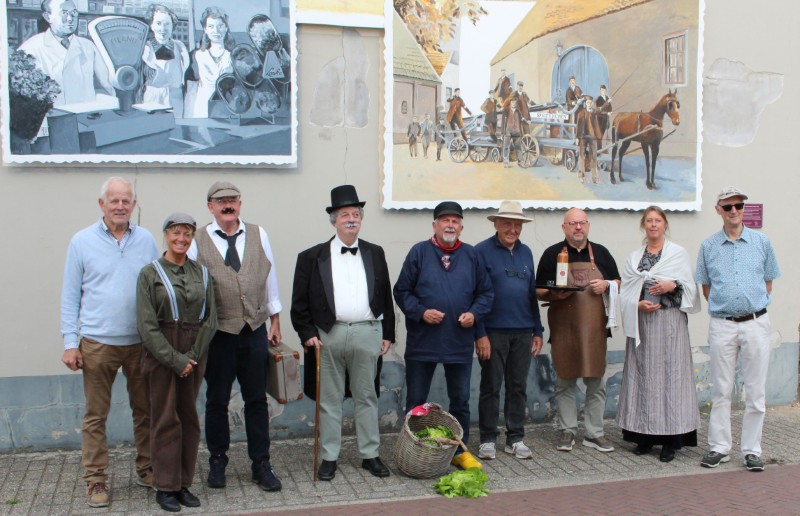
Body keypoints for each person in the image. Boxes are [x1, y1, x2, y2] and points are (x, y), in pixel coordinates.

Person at [60, 177, 159, 508]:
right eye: (114, 200)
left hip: (140, 343)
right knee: (96, 415)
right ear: (102, 204)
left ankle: (147, 469)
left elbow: (156, 288)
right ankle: (95, 479)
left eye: (126, 200)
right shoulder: (82, 241)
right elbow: (70, 296)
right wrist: (70, 342)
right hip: (97, 343)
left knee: (145, 410)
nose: (120, 206)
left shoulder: (146, 240)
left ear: (134, 205)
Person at [290, 185, 395, 481]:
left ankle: (370, 454)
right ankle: (329, 457)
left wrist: (388, 333)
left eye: (356, 214)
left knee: (367, 397)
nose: (351, 219)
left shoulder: (375, 252)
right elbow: (299, 302)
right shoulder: (311, 257)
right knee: (329, 399)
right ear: (334, 220)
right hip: (328, 334)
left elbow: (385, 294)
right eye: (345, 214)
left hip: (367, 332)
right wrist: (307, 333)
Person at [188, 181, 283, 491]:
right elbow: (191, 289)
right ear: (210, 207)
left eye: (232, 200)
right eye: (221, 201)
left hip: (254, 330)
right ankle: (217, 462)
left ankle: (261, 464)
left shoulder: (259, 233)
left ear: (240, 203)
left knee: (257, 400)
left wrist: (275, 320)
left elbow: (270, 277)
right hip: (218, 334)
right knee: (216, 401)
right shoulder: (197, 240)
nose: (227, 205)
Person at [394, 201, 494, 470]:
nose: (450, 225)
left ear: (461, 227)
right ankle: (413, 450)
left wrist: (474, 314)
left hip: (458, 342)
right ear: (434, 225)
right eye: (445, 220)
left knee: (460, 400)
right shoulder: (419, 252)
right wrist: (421, 312)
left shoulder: (471, 255)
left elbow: (486, 293)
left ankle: (460, 451)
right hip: (422, 342)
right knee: (416, 401)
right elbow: (401, 291)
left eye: (455, 221)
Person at [695, 187, 780, 472]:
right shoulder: (708, 246)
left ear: (744, 209)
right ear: (718, 210)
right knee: (721, 389)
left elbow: (768, 282)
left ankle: (752, 451)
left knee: (755, 391)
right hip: (723, 325)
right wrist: (727, 306)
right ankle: (719, 448)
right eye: (728, 206)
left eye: (739, 206)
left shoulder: (762, 242)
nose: (734, 211)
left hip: (756, 323)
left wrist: (749, 304)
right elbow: (706, 287)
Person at [136, 213, 217, 512]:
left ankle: (183, 484)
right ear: (166, 235)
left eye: (187, 234)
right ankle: (165, 486)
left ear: (192, 238)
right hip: (161, 352)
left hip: (194, 352)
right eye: (175, 233)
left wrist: (192, 356)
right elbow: (146, 325)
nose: (181, 239)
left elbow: (211, 319)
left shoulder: (202, 273)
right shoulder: (150, 273)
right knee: (165, 419)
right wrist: (174, 359)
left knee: (189, 419)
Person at [616, 206, 701, 463]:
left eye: (658, 220)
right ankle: (644, 436)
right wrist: (637, 304)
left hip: (670, 322)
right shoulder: (635, 258)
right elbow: (626, 292)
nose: (653, 224)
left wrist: (672, 285)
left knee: (671, 378)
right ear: (644, 225)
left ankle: (670, 440)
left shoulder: (677, 254)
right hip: (643, 323)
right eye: (649, 221)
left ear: (665, 225)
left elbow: (690, 288)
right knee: (643, 377)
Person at [536, 209, 620, 454]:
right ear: (564, 228)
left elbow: (618, 282)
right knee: (565, 381)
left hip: (595, 330)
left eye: (581, 222)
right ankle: (568, 430)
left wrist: (606, 284)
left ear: (588, 225)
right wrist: (555, 294)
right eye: (572, 223)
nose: (578, 227)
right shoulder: (552, 254)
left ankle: (595, 433)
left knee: (596, 382)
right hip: (565, 329)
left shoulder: (601, 253)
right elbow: (538, 291)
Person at [474, 201, 544, 461]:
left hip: (523, 331)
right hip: (493, 332)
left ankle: (515, 438)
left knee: (518, 387)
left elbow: (531, 294)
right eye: (507, 224)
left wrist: (538, 330)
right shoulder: (481, 251)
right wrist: (479, 333)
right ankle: (487, 439)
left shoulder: (526, 252)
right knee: (490, 386)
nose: (512, 229)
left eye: (517, 225)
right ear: (496, 224)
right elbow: (475, 294)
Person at [20, 0, 114, 107]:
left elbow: (107, 85)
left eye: (73, 12)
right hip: (52, 115)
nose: (70, 18)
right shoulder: (31, 48)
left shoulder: (88, 46)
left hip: (85, 114)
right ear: (48, 16)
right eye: (64, 13)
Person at [184, 7, 235, 118]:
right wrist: (188, 118)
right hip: (201, 109)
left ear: (226, 28)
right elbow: (191, 91)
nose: (216, 31)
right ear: (205, 29)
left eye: (220, 26)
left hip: (226, 109)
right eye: (211, 26)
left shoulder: (234, 56)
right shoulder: (196, 56)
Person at [141, 4, 190, 117]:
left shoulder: (179, 47)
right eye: (158, 23)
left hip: (175, 97)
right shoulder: (145, 48)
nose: (162, 29)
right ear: (151, 25)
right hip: (153, 97)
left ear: (173, 25)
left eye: (167, 24)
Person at [575, 95, 602, 184]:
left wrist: (608, 103)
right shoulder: (581, 113)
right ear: (585, 103)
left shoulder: (594, 112)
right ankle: (581, 176)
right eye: (588, 102)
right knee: (582, 156)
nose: (589, 104)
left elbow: (601, 110)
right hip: (583, 137)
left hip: (592, 137)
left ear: (592, 103)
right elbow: (578, 126)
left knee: (594, 157)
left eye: (590, 102)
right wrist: (577, 137)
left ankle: (595, 178)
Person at [502, 98, 527, 168]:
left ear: (516, 104)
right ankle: (506, 163)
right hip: (508, 130)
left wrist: (526, 121)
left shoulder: (518, 111)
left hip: (517, 131)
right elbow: (503, 122)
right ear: (510, 103)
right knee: (506, 147)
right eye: (512, 102)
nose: (514, 104)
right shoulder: (506, 110)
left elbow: (522, 120)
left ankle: (521, 162)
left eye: (515, 102)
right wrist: (502, 132)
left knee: (518, 147)